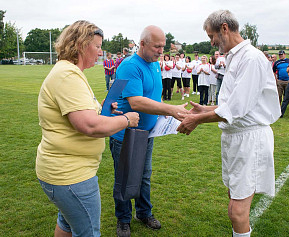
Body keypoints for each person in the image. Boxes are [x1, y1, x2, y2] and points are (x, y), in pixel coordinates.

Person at [177, 10, 280, 237]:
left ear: (224, 28)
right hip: (235, 137)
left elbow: (236, 109)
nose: (211, 42)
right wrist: (207, 109)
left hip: (250, 139)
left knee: (236, 211)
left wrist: (197, 119)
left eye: (211, 36)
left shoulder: (251, 58)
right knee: (233, 198)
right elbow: (232, 104)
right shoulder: (234, 57)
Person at [36, 20, 139, 237]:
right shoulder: (68, 75)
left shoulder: (70, 72)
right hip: (71, 176)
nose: (101, 53)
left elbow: (83, 115)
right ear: (82, 45)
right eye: (98, 46)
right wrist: (127, 120)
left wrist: (104, 110)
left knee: (66, 225)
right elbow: (89, 125)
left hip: (66, 173)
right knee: (88, 232)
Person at [109, 25, 189, 237]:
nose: (161, 51)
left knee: (144, 175)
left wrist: (162, 109)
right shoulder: (129, 66)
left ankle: (144, 213)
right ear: (142, 44)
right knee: (125, 177)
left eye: (163, 46)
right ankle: (123, 219)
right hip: (124, 133)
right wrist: (170, 109)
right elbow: (136, 102)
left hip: (146, 134)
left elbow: (153, 96)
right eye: (157, 46)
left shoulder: (154, 64)